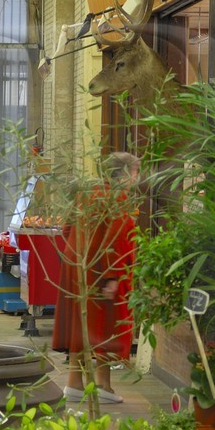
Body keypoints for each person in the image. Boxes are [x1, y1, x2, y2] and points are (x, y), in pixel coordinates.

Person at [53, 151, 140, 404]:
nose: (137, 179)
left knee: (80, 325)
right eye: (136, 173)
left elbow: (66, 228)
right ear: (126, 174)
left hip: (78, 265)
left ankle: (74, 383)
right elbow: (117, 238)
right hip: (102, 270)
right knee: (106, 326)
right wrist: (112, 276)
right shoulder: (118, 197)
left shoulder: (85, 192)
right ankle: (103, 386)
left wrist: (75, 256)